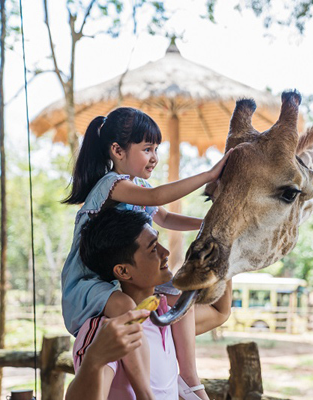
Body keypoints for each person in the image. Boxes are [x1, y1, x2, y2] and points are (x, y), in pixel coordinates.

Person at [61, 107, 232, 399]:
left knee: (180, 299)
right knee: (126, 307)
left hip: (119, 274)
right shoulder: (112, 184)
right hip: (90, 282)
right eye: (147, 148)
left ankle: (189, 378)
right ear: (117, 150)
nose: (154, 157)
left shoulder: (138, 185)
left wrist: (210, 226)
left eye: (156, 149)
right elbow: (156, 198)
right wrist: (209, 175)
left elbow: (164, 219)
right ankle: (144, 393)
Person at [66, 208, 231, 400]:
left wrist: (224, 243)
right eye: (153, 248)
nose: (165, 252)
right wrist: (93, 360)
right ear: (123, 272)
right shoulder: (109, 331)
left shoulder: (166, 317)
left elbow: (220, 312)